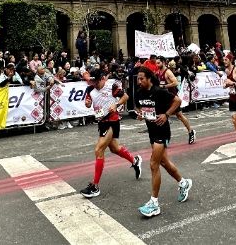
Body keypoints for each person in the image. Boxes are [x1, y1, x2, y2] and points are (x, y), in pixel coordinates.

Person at [134, 67, 192, 218]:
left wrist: (166, 114)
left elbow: (178, 101)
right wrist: (140, 114)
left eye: (141, 78)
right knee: (164, 163)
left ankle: (154, 204)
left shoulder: (159, 91)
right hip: (152, 132)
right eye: (138, 78)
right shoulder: (139, 93)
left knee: (154, 164)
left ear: (149, 79)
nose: (139, 81)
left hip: (162, 131)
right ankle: (183, 182)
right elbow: (139, 108)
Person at [79, 68, 142, 198]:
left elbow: (126, 96)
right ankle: (134, 161)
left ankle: (95, 186)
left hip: (112, 120)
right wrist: (87, 103)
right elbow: (87, 103)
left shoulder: (111, 87)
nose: (95, 84)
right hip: (101, 122)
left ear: (103, 78)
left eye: (97, 81)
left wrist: (117, 104)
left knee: (99, 149)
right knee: (114, 149)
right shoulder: (90, 89)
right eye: (93, 81)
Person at [156, 57, 196, 144]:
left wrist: (164, 86)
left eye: (158, 63)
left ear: (163, 62)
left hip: (172, 98)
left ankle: (191, 131)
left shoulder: (168, 72)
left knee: (179, 115)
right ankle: (165, 137)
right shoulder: (158, 72)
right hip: (164, 98)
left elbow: (175, 83)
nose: (157, 65)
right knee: (163, 117)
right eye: (156, 63)